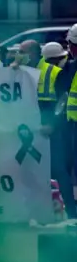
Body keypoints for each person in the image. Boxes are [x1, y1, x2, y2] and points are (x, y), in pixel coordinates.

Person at [41, 41, 76, 218]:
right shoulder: (64, 71)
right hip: (66, 125)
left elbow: (62, 101)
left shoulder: (62, 72)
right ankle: (70, 209)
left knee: (62, 169)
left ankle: (70, 210)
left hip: (65, 127)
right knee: (63, 169)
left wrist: (53, 123)